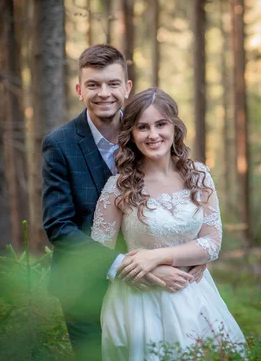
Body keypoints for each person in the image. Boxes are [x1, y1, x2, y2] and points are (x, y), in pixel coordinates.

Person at [42, 45, 203, 360]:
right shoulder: (59, 145)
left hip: (155, 288)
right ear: (79, 90)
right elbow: (58, 226)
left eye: (113, 83)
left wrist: (196, 253)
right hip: (84, 288)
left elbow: (177, 200)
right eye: (93, 84)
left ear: (127, 88)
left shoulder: (147, 132)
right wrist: (125, 267)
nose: (104, 93)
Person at [91, 88, 246, 360]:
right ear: (132, 134)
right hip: (137, 303)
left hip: (194, 295)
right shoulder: (118, 187)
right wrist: (152, 273)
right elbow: (97, 256)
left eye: (161, 124)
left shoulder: (199, 176)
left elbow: (212, 243)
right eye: (143, 127)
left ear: (174, 127)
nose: (153, 135)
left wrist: (155, 257)